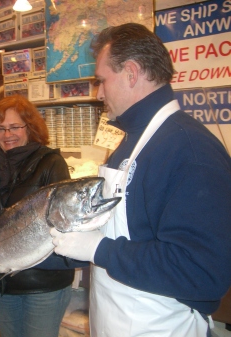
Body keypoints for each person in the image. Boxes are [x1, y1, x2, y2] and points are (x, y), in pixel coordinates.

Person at [49, 23, 231, 337]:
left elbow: (203, 272)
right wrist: (7, 253)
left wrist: (100, 250)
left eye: (102, 80)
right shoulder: (128, 144)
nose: (99, 93)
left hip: (163, 328)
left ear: (132, 73)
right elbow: (107, 235)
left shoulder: (189, 149)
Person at [0, 94, 75, 337]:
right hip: (3, 280)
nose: (7, 134)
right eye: (0, 128)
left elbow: (64, 222)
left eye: (15, 127)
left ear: (30, 128)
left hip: (44, 283)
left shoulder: (51, 163)